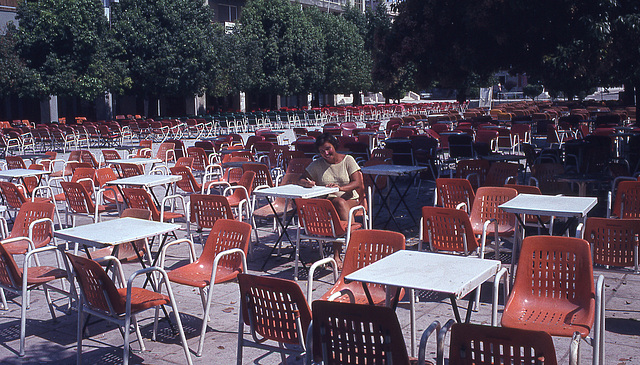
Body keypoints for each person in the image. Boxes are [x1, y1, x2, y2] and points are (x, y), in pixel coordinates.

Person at [298, 133, 364, 266]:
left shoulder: (348, 160)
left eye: (328, 149)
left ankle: (338, 254)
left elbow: (357, 183)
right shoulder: (317, 164)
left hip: (349, 199)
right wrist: (307, 183)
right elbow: (301, 179)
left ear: (335, 146)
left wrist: (340, 188)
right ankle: (353, 243)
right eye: (322, 151)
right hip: (328, 203)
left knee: (338, 203)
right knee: (333, 206)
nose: (326, 153)